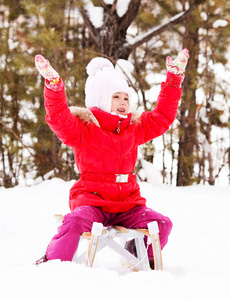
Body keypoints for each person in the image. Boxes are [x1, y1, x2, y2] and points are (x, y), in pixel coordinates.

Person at [34, 49, 189, 268]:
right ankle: (54, 262)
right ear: (100, 99)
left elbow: (162, 117)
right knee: (75, 221)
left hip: (127, 203)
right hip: (92, 201)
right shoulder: (85, 128)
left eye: (126, 96)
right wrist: (54, 86)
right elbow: (59, 118)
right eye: (115, 96)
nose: (122, 101)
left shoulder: (133, 128)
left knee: (162, 224)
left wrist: (173, 81)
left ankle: (137, 256)